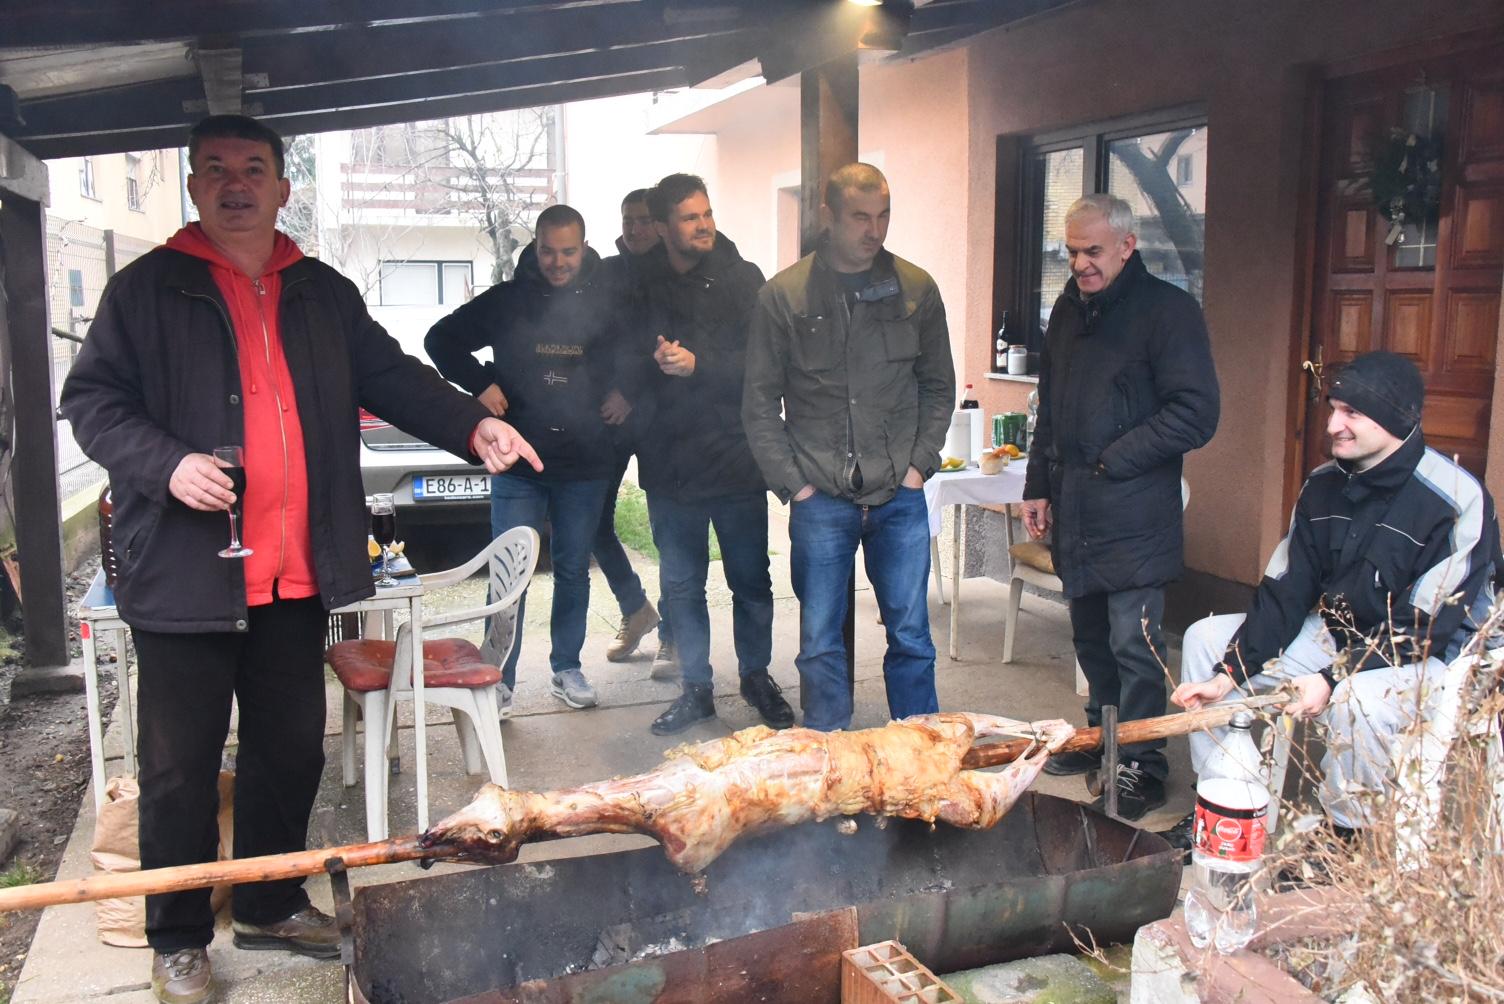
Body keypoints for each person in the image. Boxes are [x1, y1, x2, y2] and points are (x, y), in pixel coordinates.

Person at [59, 114, 540, 1004]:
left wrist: (473, 424)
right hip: (188, 578)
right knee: (179, 769)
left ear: (285, 187)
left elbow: (393, 377)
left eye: (254, 169)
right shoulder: (146, 288)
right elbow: (91, 402)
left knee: (290, 751)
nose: (235, 184)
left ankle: (269, 900)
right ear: (195, 186)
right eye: (215, 170)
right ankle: (176, 935)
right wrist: (166, 464)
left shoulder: (321, 290)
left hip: (296, 574)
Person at [1167, 351, 1500, 845]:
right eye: (1333, 409)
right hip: (1339, 633)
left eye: (1351, 413)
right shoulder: (1323, 486)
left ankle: (1344, 836)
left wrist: (1331, 678)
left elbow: (1426, 627)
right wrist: (1229, 673)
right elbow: (1286, 590)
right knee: (1204, 640)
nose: (1331, 425)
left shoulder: (1456, 500)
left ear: (1394, 417)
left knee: (1355, 697)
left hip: (1440, 659)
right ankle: (1223, 806)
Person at [1022, 193, 1219, 820]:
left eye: (1092, 251)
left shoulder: (1169, 311)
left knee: (1134, 648)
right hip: (1075, 506)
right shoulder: (1067, 310)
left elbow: (1196, 412)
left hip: (1134, 509)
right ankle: (1102, 740)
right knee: (1089, 640)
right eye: (1072, 251)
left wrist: (1115, 458)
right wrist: (1037, 484)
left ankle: (1141, 765)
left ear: (1128, 246)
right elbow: (1047, 405)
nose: (1080, 263)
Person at [743, 163, 955, 732]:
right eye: (861, 217)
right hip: (821, 498)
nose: (875, 230)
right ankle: (829, 756)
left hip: (899, 495)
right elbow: (759, 405)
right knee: (818, 639)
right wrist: (797, 487)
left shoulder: (916, 289)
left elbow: (939, 387)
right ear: (827, 216)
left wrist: (919, 467)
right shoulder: (783, 296)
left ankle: (921, 752)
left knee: (911, 632)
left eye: (883, 215)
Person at [426, 204, 623, 713]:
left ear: (584, 247)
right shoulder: (508, 301)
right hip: (517, 460)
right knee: (508, 573)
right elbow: (439, 340)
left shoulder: (608, 300)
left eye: (569, 252)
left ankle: (567, 668)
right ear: (535, 247)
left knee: (575, 568)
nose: (559, 262)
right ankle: (500, 676)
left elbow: (639, 351)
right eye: (549, 251)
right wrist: (481, 384)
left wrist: (628, 392)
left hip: (585, 461)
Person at [634, 173, 794, 736]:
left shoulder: (743, 278)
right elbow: (620, 354)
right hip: (668, 462)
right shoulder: (641, 281)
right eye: (688, 217)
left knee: (750, 579)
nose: (703, 225)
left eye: (706, 214)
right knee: (681, 584)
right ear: (660, 227)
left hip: (733, 455)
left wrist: (698, 365)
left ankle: (756, 676)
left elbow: (763, 366)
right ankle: (695, 689)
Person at [595, 189, 671, 673]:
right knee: (589, 521)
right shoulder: (604, 271)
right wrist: (609, 392)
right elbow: (593, 341)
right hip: (612, 414)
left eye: (644, 220)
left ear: (661, 224)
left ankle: (677, 636)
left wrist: (631, 389)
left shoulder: (679, 271)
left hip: (663, 415)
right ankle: (635, 606)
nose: (635, 229)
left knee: (672, 533)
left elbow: (677, 348)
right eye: (628, 220)